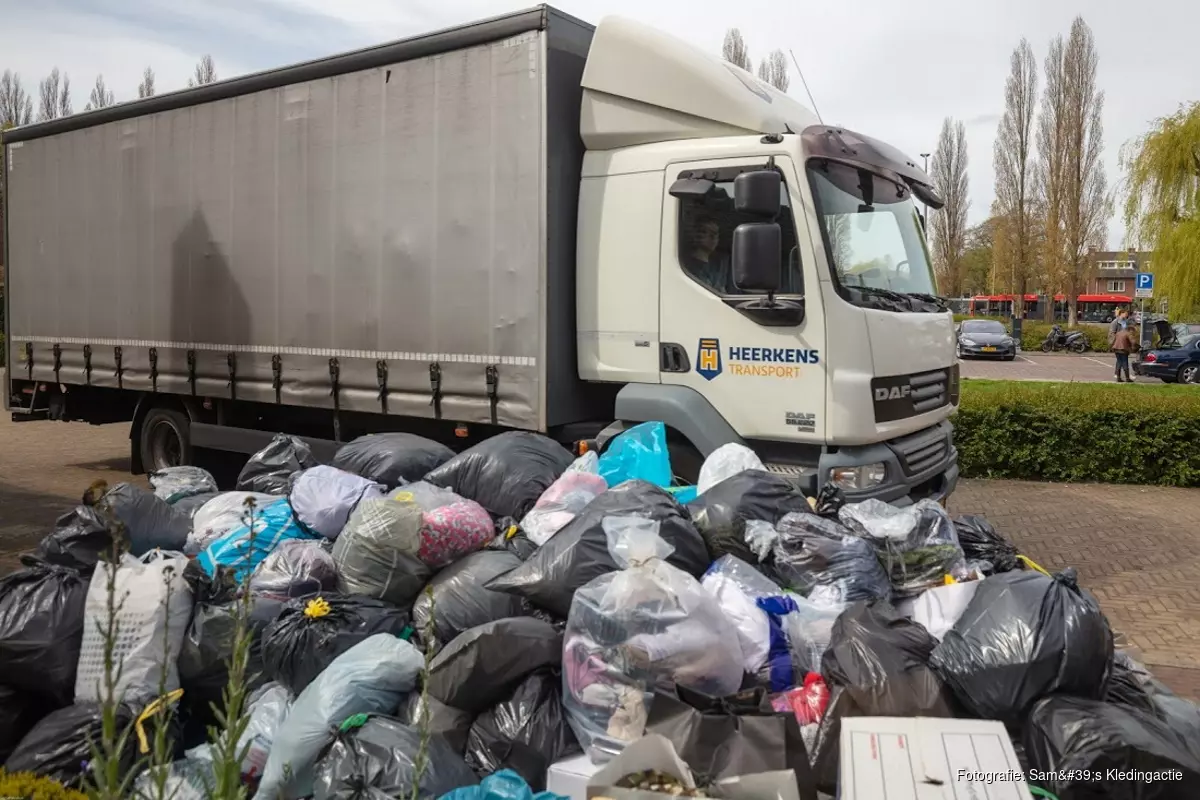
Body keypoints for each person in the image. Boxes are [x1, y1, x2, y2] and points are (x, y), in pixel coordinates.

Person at [681, 215, 731, 294]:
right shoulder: (685, 268)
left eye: (716, 233)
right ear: (696, 236)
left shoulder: (719, 265)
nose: (713, 237)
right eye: (705, 232)